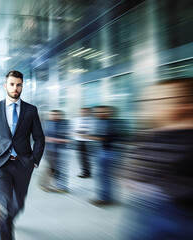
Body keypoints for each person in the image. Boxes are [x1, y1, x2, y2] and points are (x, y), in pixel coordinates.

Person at [121, 78, 193, 240]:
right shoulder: (153, 134)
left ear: (186, 105)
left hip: (180, 216)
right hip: (146, 211)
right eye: (147, 101)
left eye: (158, 101)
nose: (148, 106)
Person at [0, 70, 45, 240]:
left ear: (22, 86)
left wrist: (35, 160)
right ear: (5, 86)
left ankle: (3, 219)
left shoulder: (31, 110)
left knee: (19, 204)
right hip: (0, 164)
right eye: (12, 84)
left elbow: (39, 138)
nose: (15, 88)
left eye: (18, 85)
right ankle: (6, 231)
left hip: (24, 164)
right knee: (6, 202)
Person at [80, 106, 120, 206]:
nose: (99, 113)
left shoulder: (111, 123)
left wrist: (89, 137)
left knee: (104, 176)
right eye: (97, 112)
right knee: (103, 176)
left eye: (102, 112)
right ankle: (104, 197)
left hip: (108, 152)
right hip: (102, 151)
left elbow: (106, 137)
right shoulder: (101, 122)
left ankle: (105, 199)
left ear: (108, 112)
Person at [40, 110, 71, 193]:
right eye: (52, 114)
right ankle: (45, 184)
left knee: (61, 168)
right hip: (49, 150)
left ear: (61, 115)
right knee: (50, 168)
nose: (54, 116)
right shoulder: (46, 123)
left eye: (57, 114)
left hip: (61, 150)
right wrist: (56, 139)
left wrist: (53, 139)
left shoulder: (64, 123)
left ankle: (61, 187)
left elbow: (68, 138)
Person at [73, 108, 94, 178]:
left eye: (85, 111)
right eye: (81, 112)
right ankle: (84, 172)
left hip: (89, 142)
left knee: (87, 158)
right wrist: (77, 133)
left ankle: (88, 172)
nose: (83, 113)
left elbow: (93, 130)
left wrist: (86, 135)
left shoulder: (92, 120)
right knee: (81, 158)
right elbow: (73, 129)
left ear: (88, 112)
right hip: (79, 141)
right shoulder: (77, 120)